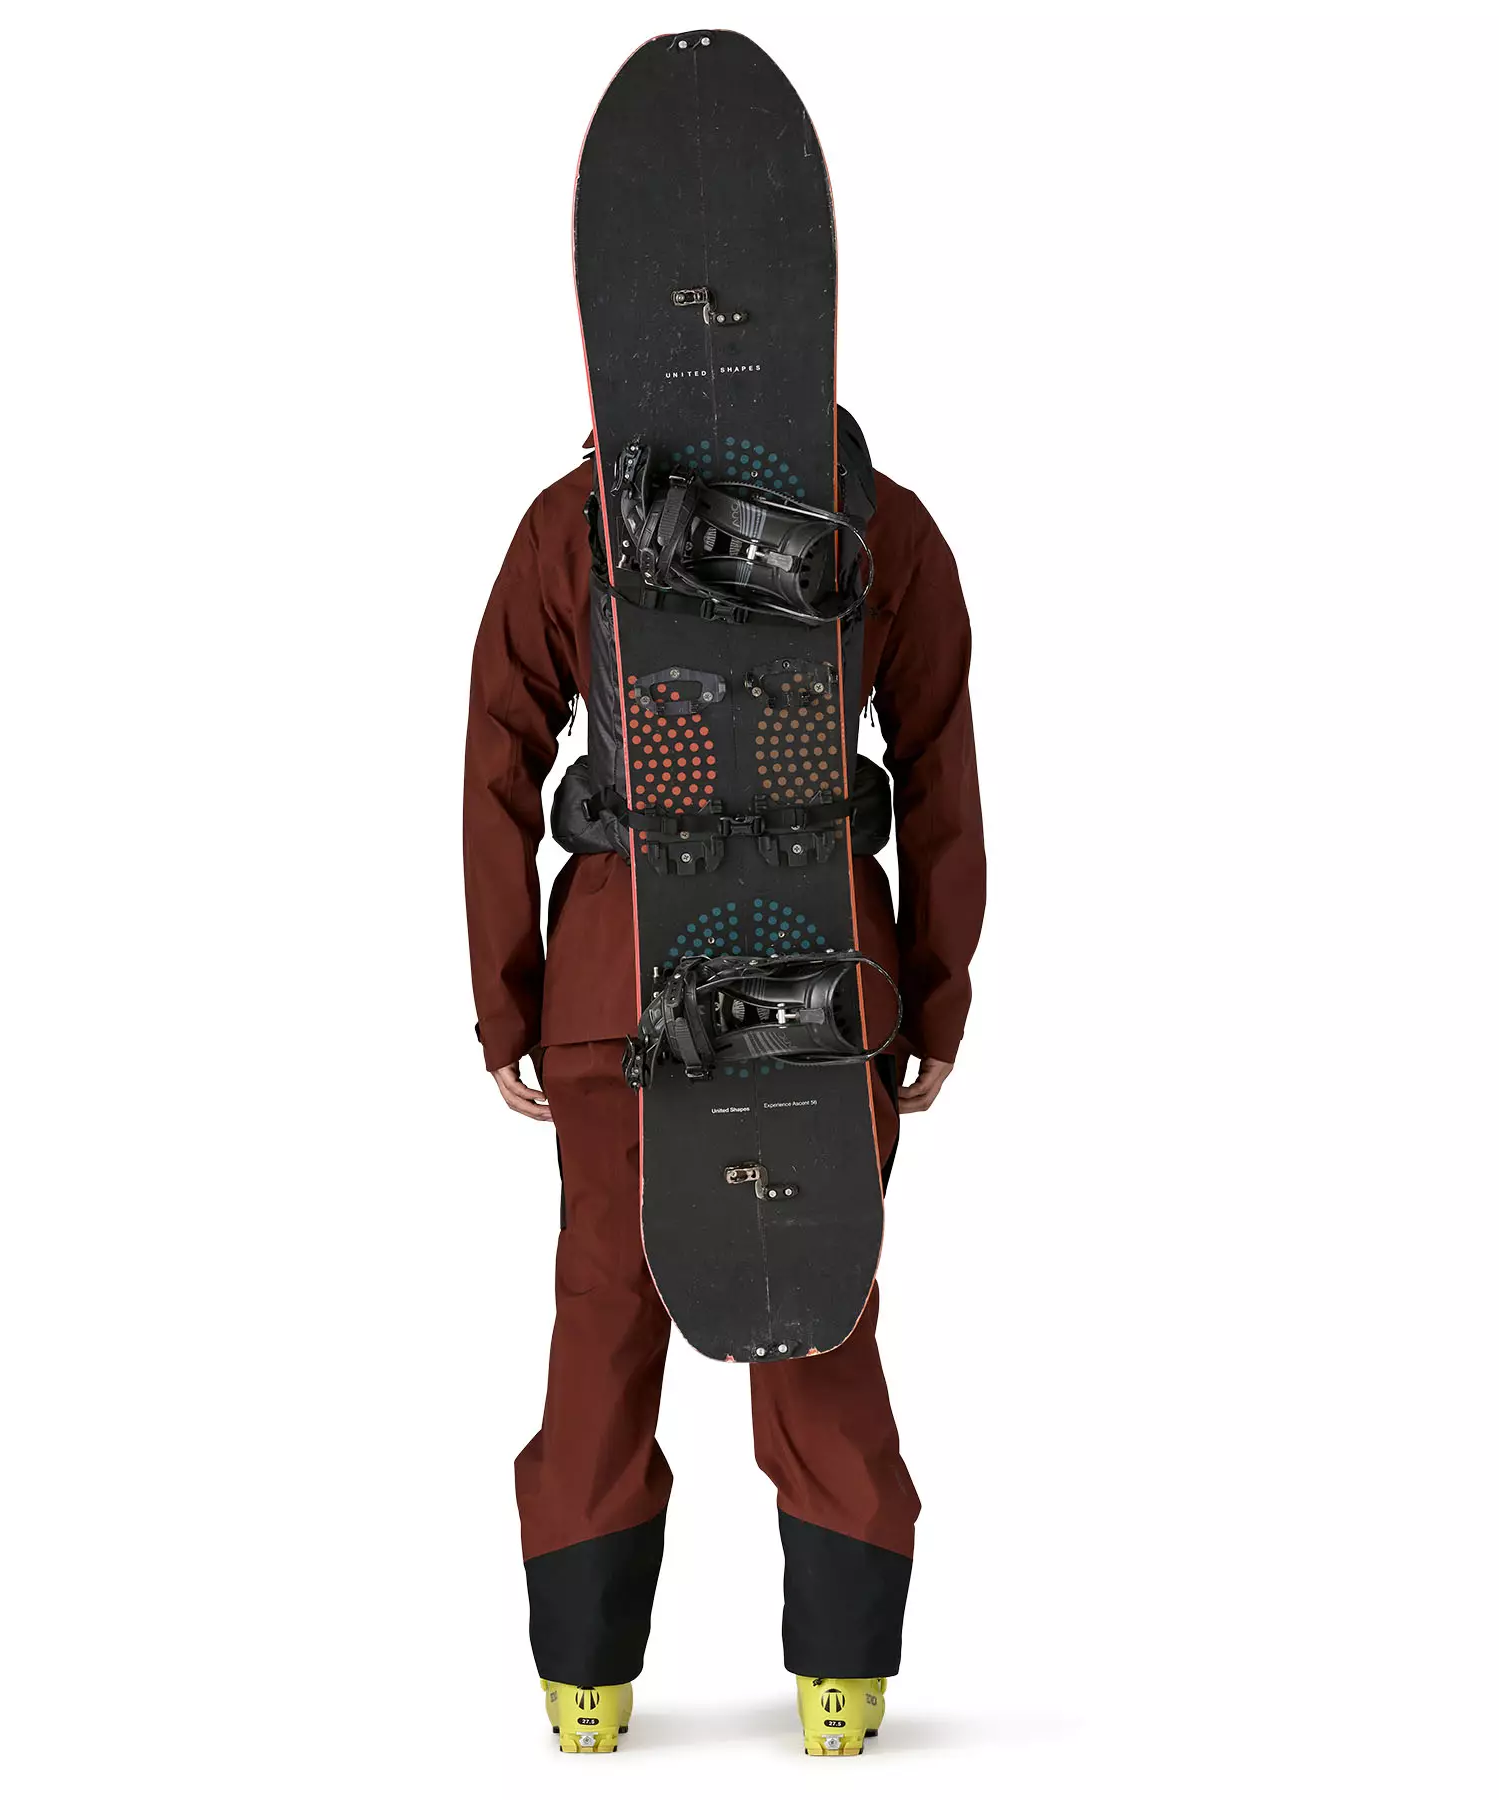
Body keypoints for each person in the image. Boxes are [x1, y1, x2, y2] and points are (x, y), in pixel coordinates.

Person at [463, 438, 984, 1754]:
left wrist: (508, 998)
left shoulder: (574, 519)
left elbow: (498, 752)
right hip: (825, 977)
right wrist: (933, 992)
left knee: (607, 1308)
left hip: (615, 978)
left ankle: (585, 1688)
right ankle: (842, 1685)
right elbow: (938, 761)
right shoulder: (882, 520)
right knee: (814, 1302)